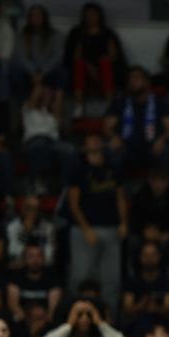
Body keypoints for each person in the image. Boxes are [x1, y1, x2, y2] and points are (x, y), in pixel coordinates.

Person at [66, 134, 127, 315]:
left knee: (112, 280)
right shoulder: (77, 168)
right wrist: (86, 229)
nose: (95, 141)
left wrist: (123, 222)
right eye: (90, 139)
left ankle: (109, 321)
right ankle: (76, 319)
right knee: (80, 278)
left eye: (97, 138)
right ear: (84, 146)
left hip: (111, 228)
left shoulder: (113, 166)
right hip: (84, 230)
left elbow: (120, 197)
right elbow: (73, 203)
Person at [104, 66, 169, 170]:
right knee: (111, 148)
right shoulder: (119, 102)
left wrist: (162, 140)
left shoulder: (161, 102)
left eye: (136, 78)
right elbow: (107, 128)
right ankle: (115, 185)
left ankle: (162, 185)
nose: (132, 82)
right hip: (126, 147)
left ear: (147, 82)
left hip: (152, 147)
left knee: (165, 149)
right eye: (130, 79)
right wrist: (114, 137)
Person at [63, 2, 125, 113]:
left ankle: (109, 104)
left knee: (105, 63)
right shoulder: (77, 32)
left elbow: (115, 56)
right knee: (80, 64)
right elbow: (73, 57)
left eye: (93, 14)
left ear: (99, 16)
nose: (90, 17)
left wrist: (100, 65)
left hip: (104, 69)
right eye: (88, 14)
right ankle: (79, 105)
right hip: (83, 68)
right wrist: (89, 66)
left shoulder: (107, 33)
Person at [13, 4, 66, 98]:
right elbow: (20, 57)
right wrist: (33, 72)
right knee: (16, 71)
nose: (35, 18)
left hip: (48, 71)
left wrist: (42, 73)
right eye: (33, 16)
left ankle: (57, 104)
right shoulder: (22, 36)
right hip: (30, 72)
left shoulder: (55, 35)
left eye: (38, 15)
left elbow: (58, 57)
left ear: (44, 18)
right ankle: (25, 105)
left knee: (62, 72)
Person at [6, 242, 61, 327]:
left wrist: (43, 325)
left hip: (45, 322)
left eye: (38, 256)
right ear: (24, 259)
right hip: (22, 321)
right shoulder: (16, 276)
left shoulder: (52, 277)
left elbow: (52, 310)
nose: (35, 260)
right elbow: (13, 305)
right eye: (30, 256)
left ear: (44, 258)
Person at [5, 195, 55, 269]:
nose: (32, 212)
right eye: (29, 208)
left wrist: (34, 261)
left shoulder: (48, 228)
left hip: (42, 269)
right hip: (19, 269)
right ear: (22, 208)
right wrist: (27, 232)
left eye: (36, 208)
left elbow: (49, 257)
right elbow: (13, 253)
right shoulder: (13, 227)